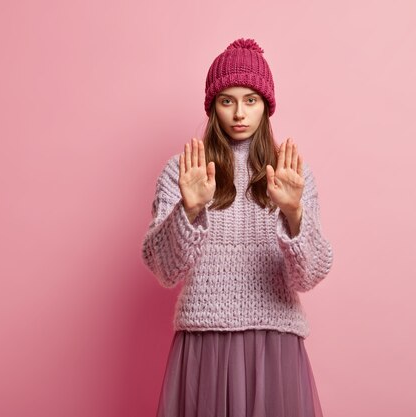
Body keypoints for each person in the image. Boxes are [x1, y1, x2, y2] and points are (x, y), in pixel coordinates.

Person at [141, 37, 334, 417]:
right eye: (227, 100)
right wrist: (190, 209)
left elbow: (309, 276)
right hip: (204, 343)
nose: (239, 113)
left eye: (251, 100)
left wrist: (294, 212)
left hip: (274, 344)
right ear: (213, 107)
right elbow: (163, 269)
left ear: (266, 106)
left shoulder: (292, 174)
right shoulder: (182, 171)